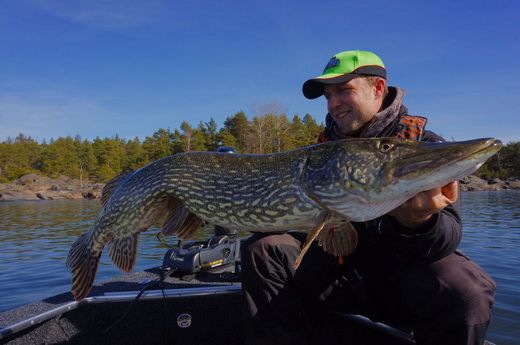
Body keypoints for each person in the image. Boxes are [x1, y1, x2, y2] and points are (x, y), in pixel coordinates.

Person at [240, 50, 496, 345]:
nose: (333, 103)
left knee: (462, 285)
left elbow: (449, 237)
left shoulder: (423, 145)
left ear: (377, 89)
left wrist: (419, 223)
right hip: (343, 283)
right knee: (264, 248)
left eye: (343, 91)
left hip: (404, 291)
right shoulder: (324, 153)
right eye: (328, 96)